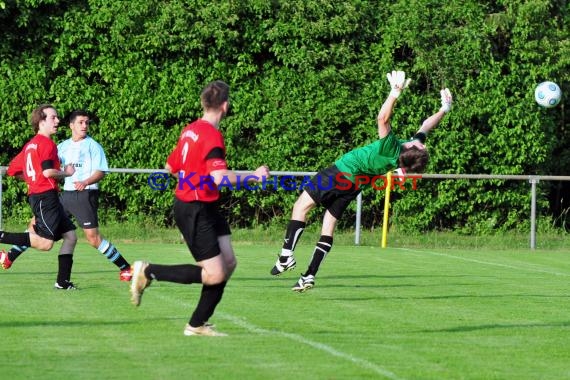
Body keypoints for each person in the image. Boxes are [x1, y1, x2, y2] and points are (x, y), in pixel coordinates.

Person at [270, 71, 453, 292]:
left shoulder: (392, 147)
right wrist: (444, 109)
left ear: (412, 150)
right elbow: (426, 126)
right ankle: (309, 275)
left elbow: (382, 119)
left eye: (422, 147)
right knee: (328, 225)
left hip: (340, 174)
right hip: (354, 185)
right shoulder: (405, 151)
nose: (424, 145)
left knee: (300, 207)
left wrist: (394, 93)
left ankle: (286, 256)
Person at [130, 80, 270, 336]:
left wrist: (194, 182)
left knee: (228, 263)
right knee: (215, 274)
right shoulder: (211, 135)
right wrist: (254, 176)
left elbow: (171, 168)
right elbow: (220, 178)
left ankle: (197, 325)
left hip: (204, 204)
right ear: (225, 106)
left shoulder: (190, 129)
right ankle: (148, 271)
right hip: (194, 207)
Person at [1, 110, 133, 282]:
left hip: (84, 195)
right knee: (37, 228)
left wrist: (85, 182)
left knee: (87, 237)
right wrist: (51, 176)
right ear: (71, 126)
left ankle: (125, 268)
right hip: (61, 196)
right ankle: (10, 256)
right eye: (81, 122)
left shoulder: (93, 146)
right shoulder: (59, 146)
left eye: (87, 122)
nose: (85, 125)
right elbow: (46, 170)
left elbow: (101, 171)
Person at [0, 104, 79, 289]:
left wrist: (31, 178)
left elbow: (12, 170)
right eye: (53, 117)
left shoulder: (30, 145)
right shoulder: (46, 143)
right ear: (41, 122)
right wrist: (67, 173)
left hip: (46, 196)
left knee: (71, 236)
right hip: (45, 197)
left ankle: (62, 283)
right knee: (45, 243)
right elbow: (47, 173)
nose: (58, 121)